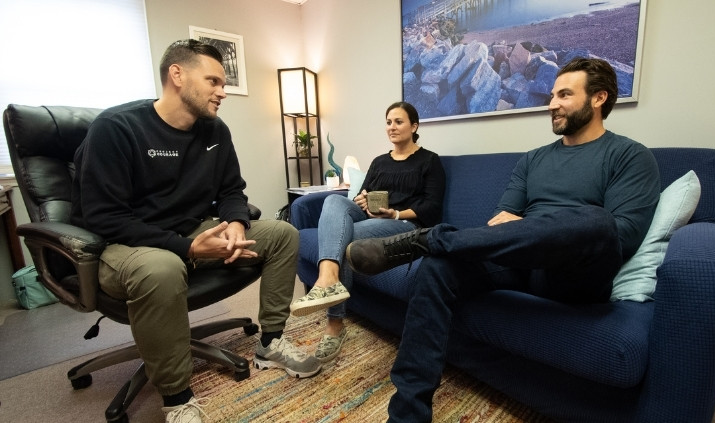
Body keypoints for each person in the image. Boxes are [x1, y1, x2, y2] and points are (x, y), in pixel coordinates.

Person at [345, 58, 661, 422]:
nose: (552, 104)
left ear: (598, 98)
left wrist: (539, 226)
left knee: (597, 220)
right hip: (518, 260)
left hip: (574, 272)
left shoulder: (629, 156)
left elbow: (622, 235)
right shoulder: (533, 159)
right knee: (437, 268)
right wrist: (525, 229)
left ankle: (429, 238)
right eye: (552, 95)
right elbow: (500, 221)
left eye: (564, 95)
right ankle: (407, 415)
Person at [71, 39, 321, 423]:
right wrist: (187, 248)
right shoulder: (116, 128)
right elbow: (105, 218)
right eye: (213, 81)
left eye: (223, 83)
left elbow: (231, 191)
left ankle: (271, 342)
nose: (223, 92)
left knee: (283, 234)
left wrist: (235, 223)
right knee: (162, 268)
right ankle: (177, 399)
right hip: (126, 243)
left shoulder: (214, 130)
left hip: (193, 231)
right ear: (177, 75)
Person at [289, 101, 446, 362]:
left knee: (343, 239)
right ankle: (328, 278)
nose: (391, 127)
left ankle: (334, 325)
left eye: (398, 122)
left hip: (403, 224)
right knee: (334, 200)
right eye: (388, 122)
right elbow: (366, 192)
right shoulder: (380, 161)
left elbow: (432, 206)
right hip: (369, 217)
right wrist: (362, 199)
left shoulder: (429, 161)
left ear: (414, 126)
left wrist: (395, 213)